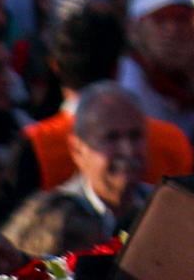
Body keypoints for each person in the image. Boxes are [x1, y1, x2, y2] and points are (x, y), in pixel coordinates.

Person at [47, 88, 157, 242]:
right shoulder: (54, 221)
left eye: (135, 136)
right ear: (77, 148)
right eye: (111, 138)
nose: (128, 150)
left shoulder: (165, 210)